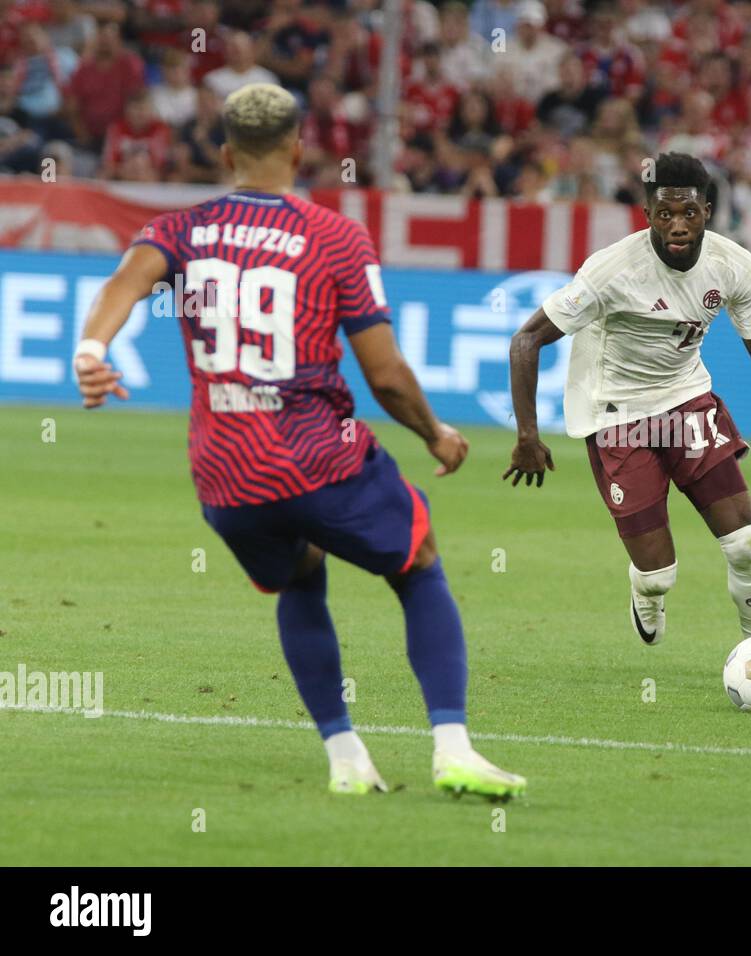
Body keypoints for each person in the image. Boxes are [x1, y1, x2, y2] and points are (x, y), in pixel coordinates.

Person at [71, 83, 525, 800]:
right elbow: (386, 374)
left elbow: (124, 284)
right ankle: (454, 749)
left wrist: (91, 350)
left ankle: (345, 760)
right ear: (298, 149)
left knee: (299, 573)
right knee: (418, 559)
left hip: (225, 473)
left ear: (224, 154)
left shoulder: (180, 228)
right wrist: (435, 432)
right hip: (316, 453)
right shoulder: (334, 235)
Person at [504, 152, 751, 646]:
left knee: (743, 541)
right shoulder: (612, 270)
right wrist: (527, 436)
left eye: (688, 212)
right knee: (660, 573)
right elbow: (526, 340)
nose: (677, 225)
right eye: (665, 214)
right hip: (616, 412)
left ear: (707, 210)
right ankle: (648, 591)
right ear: (647, 216)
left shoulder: (735, 266)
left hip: (686, 399)